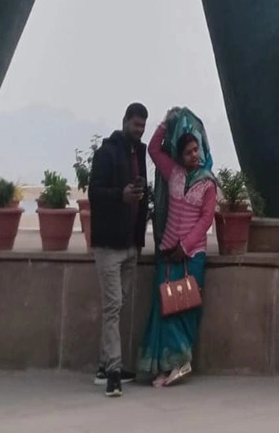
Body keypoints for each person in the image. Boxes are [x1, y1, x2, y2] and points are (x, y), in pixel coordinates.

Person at [137, 108, 217, 388]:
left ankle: (181, 362)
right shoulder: (175, 174)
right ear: (180, 156)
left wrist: (186, 245)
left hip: (191, 256)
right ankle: (164, 366)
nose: (194, 155)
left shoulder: (208, 183)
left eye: (196, 150)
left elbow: (206, 219)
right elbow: (154, 150)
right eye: (188, 152)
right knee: (163, 306)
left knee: (183, 309)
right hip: (168, 252)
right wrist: (168, 120)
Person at [88, 102, 149, 397]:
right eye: (136, 125)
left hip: (129, 246)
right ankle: (113, 371)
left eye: (142, 126)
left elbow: (143, 193)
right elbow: (94, 192)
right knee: (113, 307)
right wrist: (120, 195)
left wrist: (139, 237)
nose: (139, 130)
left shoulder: (140, 153)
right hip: (108, 246)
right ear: (125, 121)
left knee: (117, 307)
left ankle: (104, 364)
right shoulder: (106, 153)